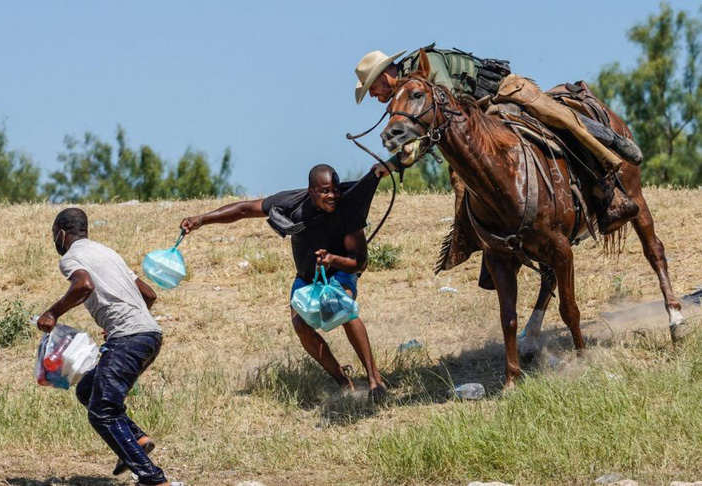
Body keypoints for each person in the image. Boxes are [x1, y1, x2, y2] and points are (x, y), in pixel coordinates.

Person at [354, 44, 644, 235]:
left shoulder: (424, 65)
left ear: (385, 74)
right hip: (478, 117)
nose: (373, 95)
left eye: (372, 87)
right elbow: (430, 130)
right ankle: (478, 238)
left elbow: (445, 109)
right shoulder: (405, 96)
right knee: (463, 178)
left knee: (559, 120)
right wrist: (394, 162)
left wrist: (401, 157)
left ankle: (609, 173)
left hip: (503, 93)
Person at [179, 164, 386, 398]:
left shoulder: (347, 210)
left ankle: (374, 380)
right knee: (301, 326)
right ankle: (343, 380)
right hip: (307, 278)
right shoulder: (291, 203)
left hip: (339, 272)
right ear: (311, 191)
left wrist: (333, 259)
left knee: (343, 308)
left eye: (336, 190)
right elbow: (246, 209)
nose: (333, 196)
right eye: (325, 191)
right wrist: (202, 219)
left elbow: (360, 263)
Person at [36, 208, 180, 486]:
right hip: (150, 335)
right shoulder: (108, 252)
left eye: (54, 235)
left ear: (62, 233)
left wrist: (52, 313)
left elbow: (84, 285)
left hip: (129, 338)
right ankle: (137, 437)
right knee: (88, 390)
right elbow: (149, 294)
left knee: (102, 412)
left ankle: (152, 478)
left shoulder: (72, 257)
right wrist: (121, 321)